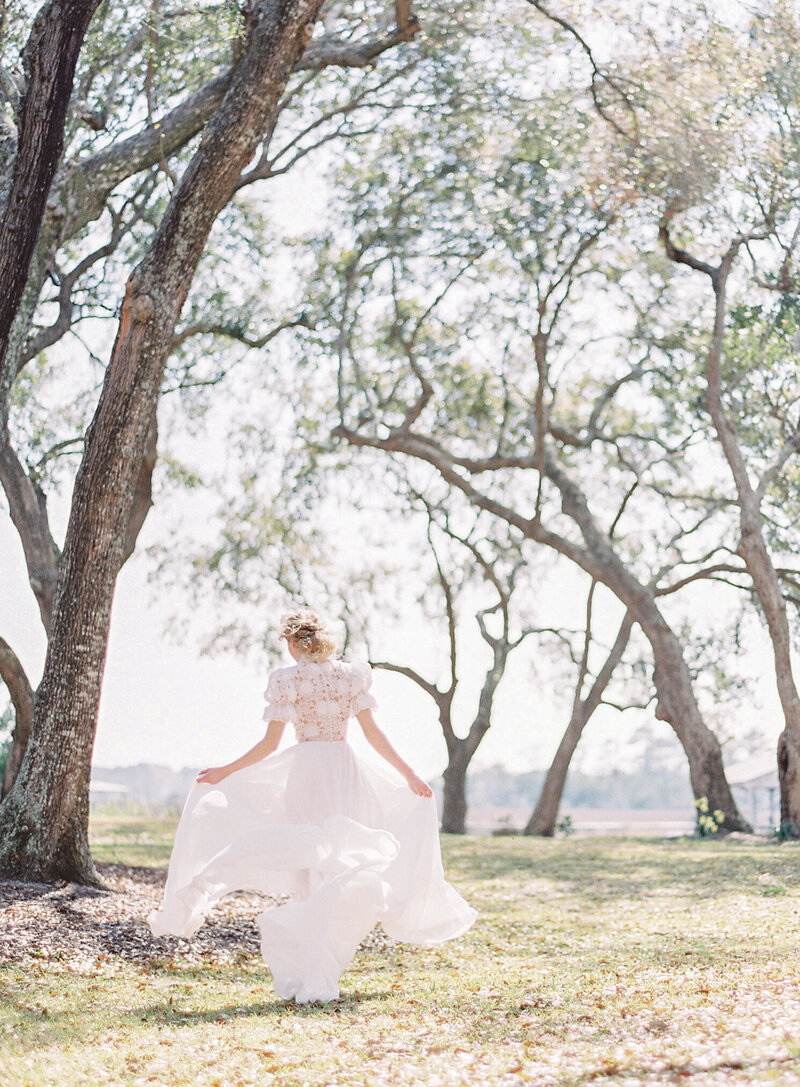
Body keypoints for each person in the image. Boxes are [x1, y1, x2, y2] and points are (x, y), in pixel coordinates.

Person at [148, 608, 476, 1004]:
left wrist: (226, 771)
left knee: (310, 867)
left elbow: (270, 745)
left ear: (292, 643)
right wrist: (409, 775)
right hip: (344, 768)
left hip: (306, 773)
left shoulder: (287, 680)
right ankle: (319, 971)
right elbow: (372, 733)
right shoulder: (350, 675)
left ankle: (311, 973)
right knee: (339, 864)